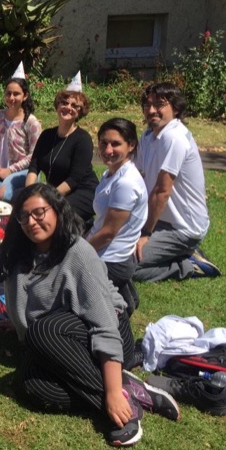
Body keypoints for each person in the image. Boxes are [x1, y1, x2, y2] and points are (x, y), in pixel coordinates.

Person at [0, 183, 179, 448]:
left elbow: (104, 325)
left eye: (39, 213)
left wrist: (113, 392)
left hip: (109, 332)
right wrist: (18, 322)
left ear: (57, 211)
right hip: (63, 338)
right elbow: (32, 302)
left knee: (42, 331)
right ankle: (134, 390)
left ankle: (121, 402)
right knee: (29, 384)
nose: (31, 222)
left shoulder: (78, 252)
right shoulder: (22, 252)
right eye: (23, 217)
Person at [133, 82, 220, 281]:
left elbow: (162, 191)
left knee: (129, 267)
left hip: (184, 229)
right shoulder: (149, 136)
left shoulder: (174, 137)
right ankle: (178, 253)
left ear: (176, 108)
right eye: (147, 104)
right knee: (114, 254)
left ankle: (189, 265)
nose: (151, 110)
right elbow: (138, 176)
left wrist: (145, 233)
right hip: (160, 221)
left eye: (159, 104)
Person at [86, 118, 147, 315]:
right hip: (112, 252)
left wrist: (78, 252)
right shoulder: (112, 173)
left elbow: (108, 234)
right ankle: (123, 290)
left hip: (112, 260)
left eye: (115, 144)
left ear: (131, 145)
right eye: (104, 143)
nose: (107, 150)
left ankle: (117, 293)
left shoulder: (126, 183)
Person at [25, 72, 98, 222]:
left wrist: (47, 198)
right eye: (64, 103)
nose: (68, 107)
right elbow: (34, 167)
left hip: (82, 192)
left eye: (74, 105)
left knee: (51, 215)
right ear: (57, 106)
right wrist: (28, 193)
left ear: (79, 112)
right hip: (55, 191)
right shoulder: (46, 135)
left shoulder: (83, 140)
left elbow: (74, 180)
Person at [0, 63, 41, 201]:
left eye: (16, 94)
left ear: (25, 96)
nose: (11, 98)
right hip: (1, 170)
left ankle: (24, 192)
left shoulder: (31, 122)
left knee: (2, 193)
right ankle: (15, 193)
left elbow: (33, 156)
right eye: (8, 93)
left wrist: (10, 170)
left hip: (23, 172)